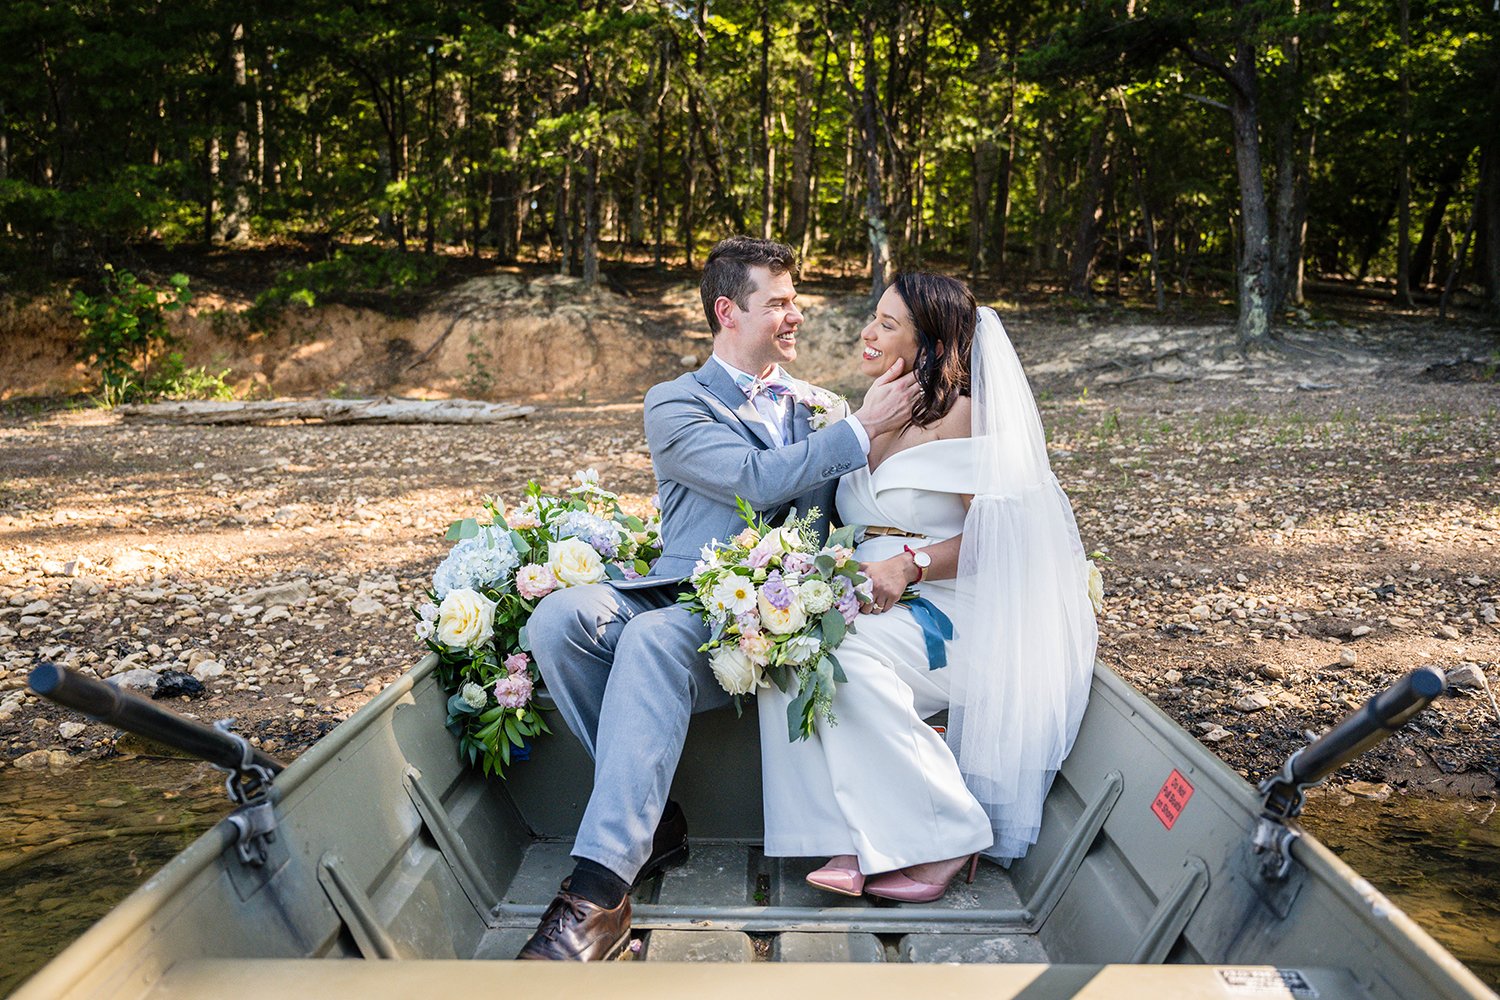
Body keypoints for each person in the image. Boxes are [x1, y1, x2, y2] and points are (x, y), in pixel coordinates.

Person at [516, 236, 920, 960]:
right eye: (780, 303)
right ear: (728, 311)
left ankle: (597, 895)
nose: (796, 316)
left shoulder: (820, 410)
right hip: (677, 591)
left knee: (651, 640)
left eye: (796, 301)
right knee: (557, 619)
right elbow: (754, 479)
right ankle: (657, 821)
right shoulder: (674, 403)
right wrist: (860, 428)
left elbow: (873, 497)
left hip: (768, 617)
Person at [758, 272, 1098, 901]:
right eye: (874, 318)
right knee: (787, 645)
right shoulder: (868, 417)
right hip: (870, 598)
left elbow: (1004, 543)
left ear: (932, 343)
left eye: (888, 325)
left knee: (846, 654)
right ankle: (851, 832)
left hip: (955, 611)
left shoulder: (962, 415)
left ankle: (951, 830)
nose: (868, 334)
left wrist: (907, 564)